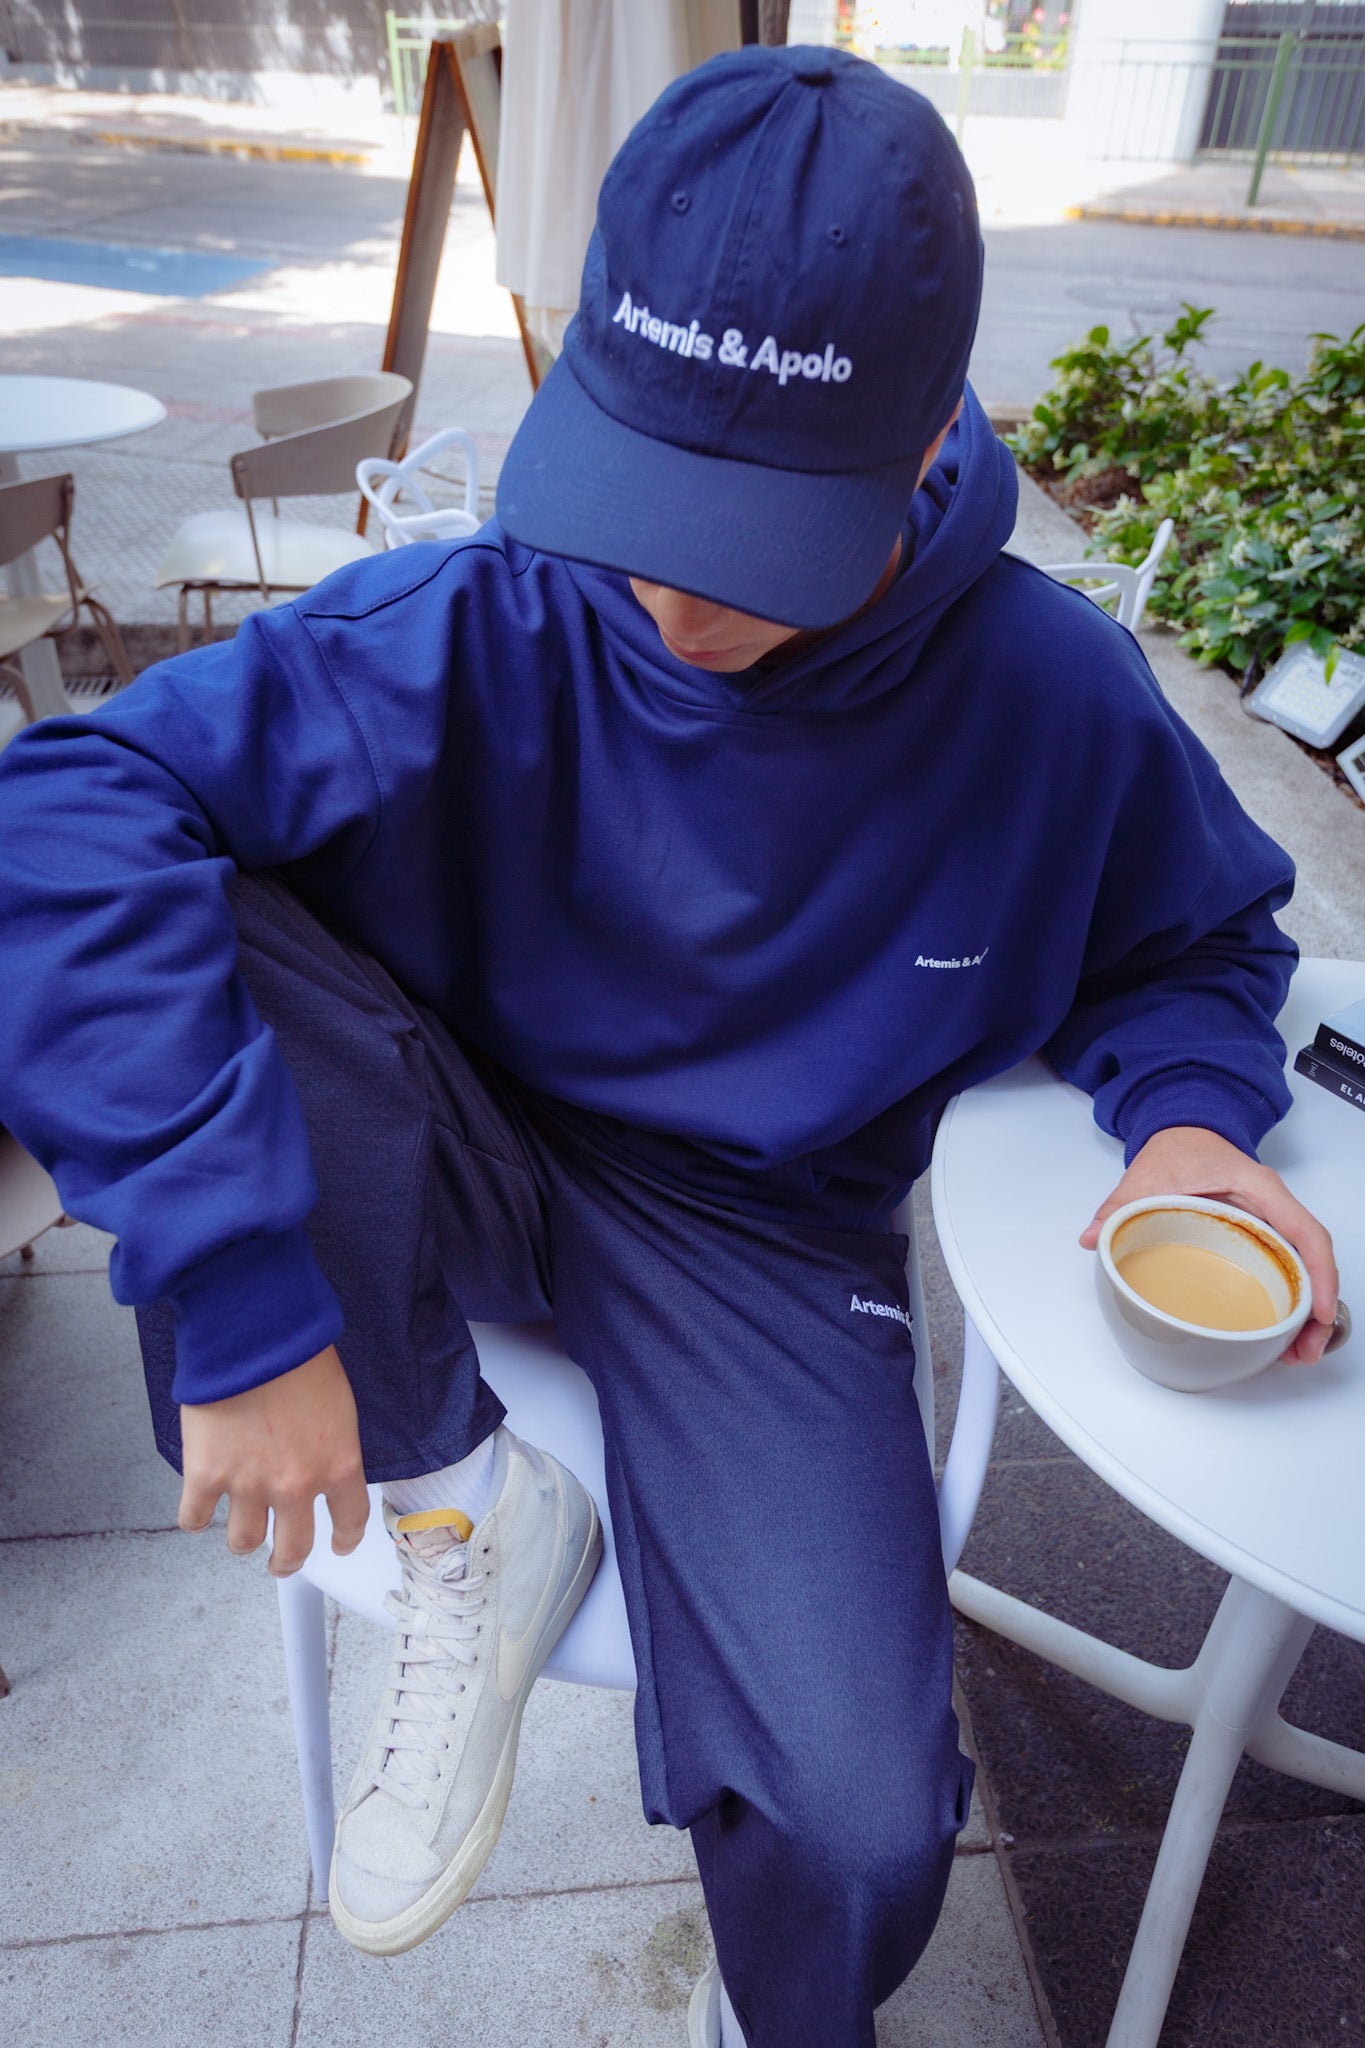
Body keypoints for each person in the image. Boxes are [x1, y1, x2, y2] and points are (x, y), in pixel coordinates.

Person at [0, 45, 1338, 2048]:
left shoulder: (1052, 699)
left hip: (761, 1240)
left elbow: (1197, 936)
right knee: (155, 887)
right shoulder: (486, 619)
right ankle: (463, 1491)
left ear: (921, 445)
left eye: (748, 531)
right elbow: (59, 815)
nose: (666, 588)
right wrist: (245, 1299)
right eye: (640, 491)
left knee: (865, 1834)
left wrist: (1189, 1125)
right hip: (441, 1122)